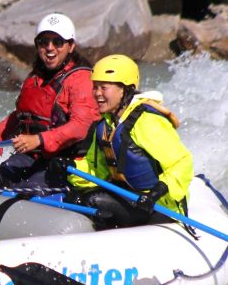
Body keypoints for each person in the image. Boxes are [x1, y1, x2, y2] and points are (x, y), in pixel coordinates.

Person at [55, 54, 193, 229]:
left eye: (104, 88)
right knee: (76, 197)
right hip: (130, 198)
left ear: (124, 90)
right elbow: (98, 171)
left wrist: (156, 193)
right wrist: (70, 168)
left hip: (160, 205)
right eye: (95, 87)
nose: (97, 94)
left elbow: (182, 162)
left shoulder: (147, 121)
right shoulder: (105, 125)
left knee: (94, 201)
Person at [0, 12, 99, 190]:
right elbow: (21, 116)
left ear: (71, 46)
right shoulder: (35, 78)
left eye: (57, 42)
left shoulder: (82, 79)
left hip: (65, 162)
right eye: (43, 42)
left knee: (20, 192)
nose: (50, 48)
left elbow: (80, 126)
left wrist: (39, 139)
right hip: (32, 157)